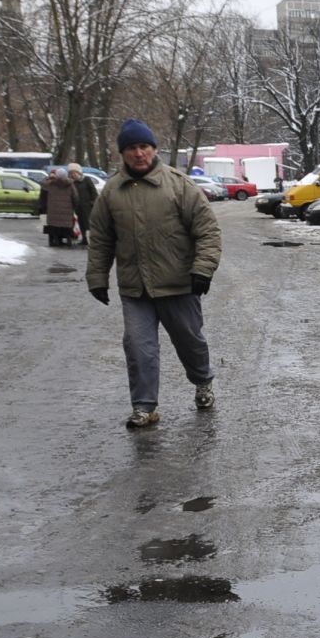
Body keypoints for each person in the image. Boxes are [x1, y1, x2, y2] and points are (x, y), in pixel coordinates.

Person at [85, 119, 222, 429]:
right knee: (137, 346)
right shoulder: (111, 192)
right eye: (131, 148)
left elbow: (208, 231)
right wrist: (97, 278)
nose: (138, 153)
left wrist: (202, 269)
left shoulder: (179, 185)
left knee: (190, 342)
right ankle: (144, 406)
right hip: (136, 289)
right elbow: (102, 240)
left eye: (143, 146)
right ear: (122, 153)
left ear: (154, 149)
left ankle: (203, 384)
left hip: (179, 283)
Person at [37, 166, 79, 247]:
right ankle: (68, 241)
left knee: (54, 226)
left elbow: (42, 183)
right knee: (67, 227)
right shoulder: (70, 184)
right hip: (67, 210)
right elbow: (75, 197)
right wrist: (74, 206)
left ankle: (55, 241)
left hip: (53, 210)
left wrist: (49, 177)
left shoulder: (51, 184)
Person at [68, 163, 100, 244]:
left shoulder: (86, 180)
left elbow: (93, 192)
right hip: (78, 207)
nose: (72, 174)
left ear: (78, 172)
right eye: (71, 173)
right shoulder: (72, 183)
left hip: (88, 206)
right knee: (81, 224)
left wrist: (93, 202)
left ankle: (92, 240)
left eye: (74, 172)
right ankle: (84, 239)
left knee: (89, 224)